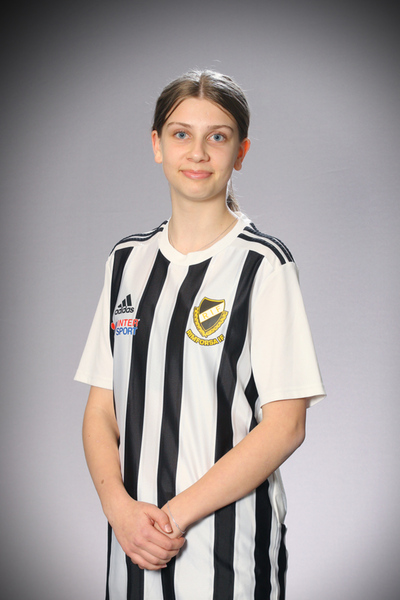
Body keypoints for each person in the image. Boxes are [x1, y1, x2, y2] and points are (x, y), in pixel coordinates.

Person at [75, 69, 325, 600]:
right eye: (181, 134)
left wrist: (171, 518)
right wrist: (121, 512)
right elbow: (100, 411)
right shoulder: (126, 263)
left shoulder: (265, 265)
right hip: (131, 546)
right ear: (157, 145)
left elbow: (286, 426)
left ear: (241, 152)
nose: (197, 152)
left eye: (218, 136)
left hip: (228, 552)